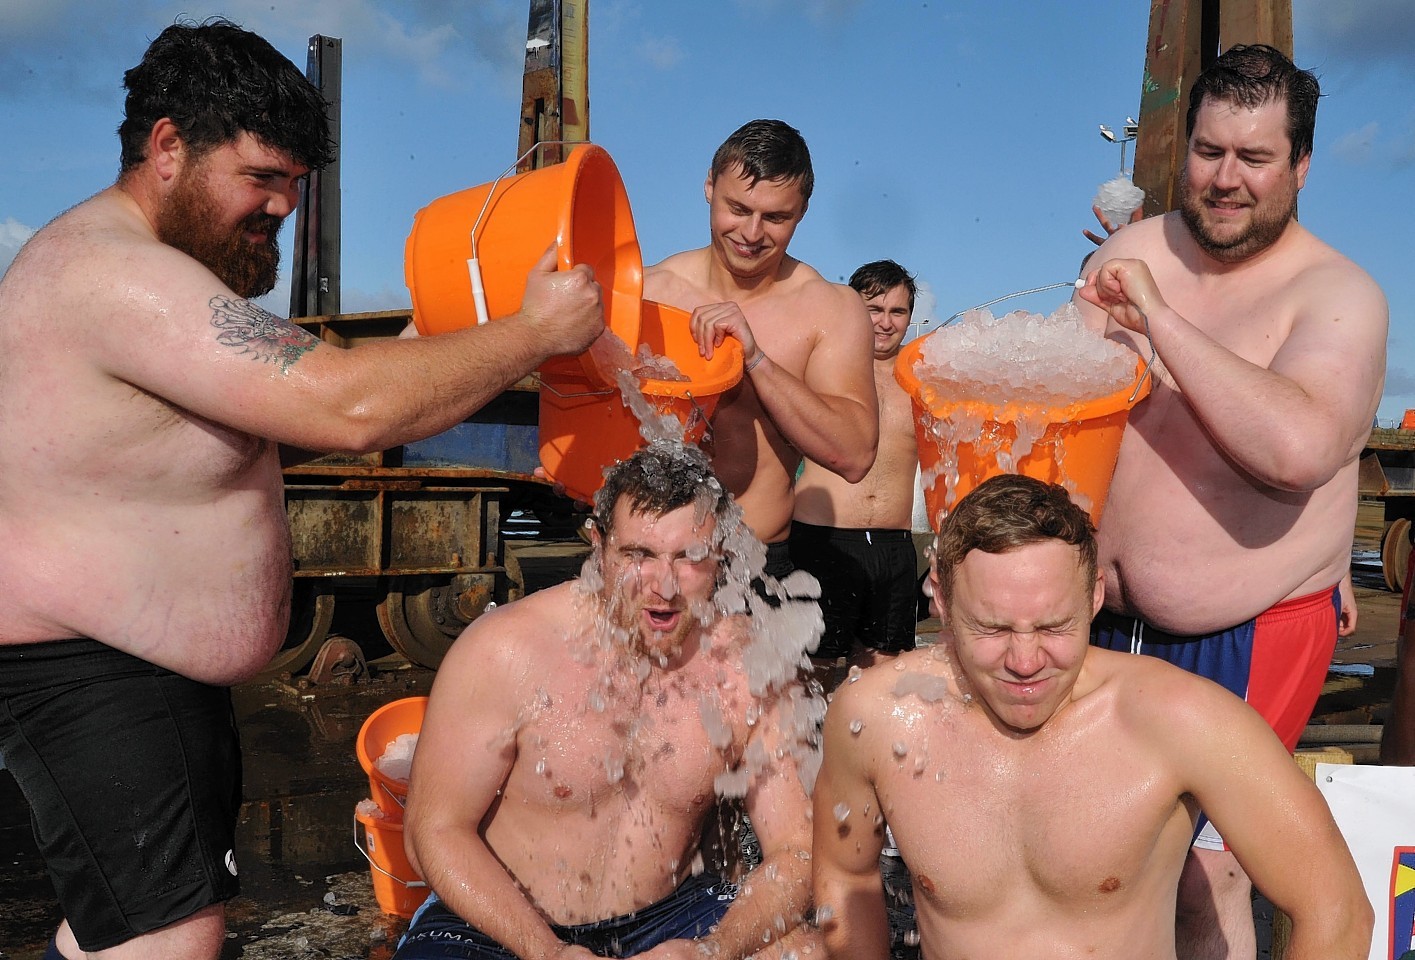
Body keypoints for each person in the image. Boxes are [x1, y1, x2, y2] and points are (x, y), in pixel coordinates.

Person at [0, 19, 604, 960]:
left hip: (140, 672)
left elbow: (299, 403)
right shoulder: (113, 274)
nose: (283, 206)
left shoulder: (159, 285)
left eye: (294, 184)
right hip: (91, 673)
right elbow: (347, 405)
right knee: (169, 939)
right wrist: (531, 334)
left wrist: (440, 337)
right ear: (167, 147)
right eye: (261, 178)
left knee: (111, 931)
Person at [1074, 44, 1387, 960]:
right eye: (1209, 152)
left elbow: (1295, 450)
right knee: (1092, 855)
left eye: (1253, 158)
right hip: (1101, 616)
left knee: (1201, 877)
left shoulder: (1339, 295)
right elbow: (1060, 411)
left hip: (1249, 624)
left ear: (1300, 165)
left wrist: (1160, 323)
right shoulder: (1138, 249)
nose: (1224, 180)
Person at [811, 474, 1372, 960]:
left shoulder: (1179, 720)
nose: (1025, 661)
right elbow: (845, 874)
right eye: (993, 629)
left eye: (1055, 628)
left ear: (1095, 596)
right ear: (940, 599)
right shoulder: (879, 718)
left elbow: (1335, 905)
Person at [395, 441, 817, 960]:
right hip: (500, 925)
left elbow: (798, 849)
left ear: (723, 553)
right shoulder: (506, 651)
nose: (664, 587)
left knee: (805, 952)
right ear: (598, 545)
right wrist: (545, 952)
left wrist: (713, 951)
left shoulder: (752, 665)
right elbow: (433, 830)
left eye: (690, 557)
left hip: (670, 915)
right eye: (638, 555)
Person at [644, 119, 877, 576]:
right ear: (709, 187)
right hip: (648, 558)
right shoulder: (649, 293)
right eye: (738, 208)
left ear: (803, 211)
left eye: (775, 217)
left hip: (755, 564)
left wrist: (756, 360)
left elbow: (853, 455)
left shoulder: (829, 309)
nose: (752, 234)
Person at [791, 260, 921, 681]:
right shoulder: (820, 369)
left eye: (897, 312)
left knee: (888, 676)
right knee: (815, 673)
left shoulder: (923, 380)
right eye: (873, 309)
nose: (885, 323)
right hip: (824, 540)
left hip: (895, 547)